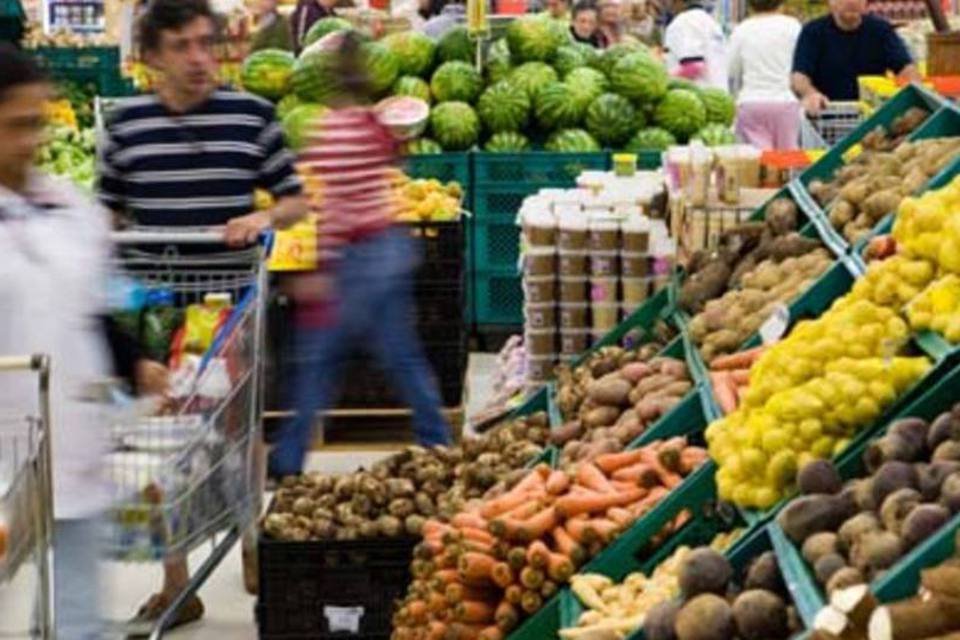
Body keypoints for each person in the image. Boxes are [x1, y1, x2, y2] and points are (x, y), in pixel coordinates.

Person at [98, 0, 306, 632]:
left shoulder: (253, 115)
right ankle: (176, 583)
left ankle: (250, 537)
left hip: (232, 306)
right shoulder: (126, 125)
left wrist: (262, 218)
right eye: (182, 46)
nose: (197, 59)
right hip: (160, 310)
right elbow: (108, 210)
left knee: (241, 433)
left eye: (204, 44)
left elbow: (295, 202)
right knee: (169, 449)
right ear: (152, 56)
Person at [0, 43, 166, 639]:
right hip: (4, 443)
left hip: (70, 436)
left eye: (35, 124)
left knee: (77, 609)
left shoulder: (69, 208)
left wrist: (135, 363)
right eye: (15, 126)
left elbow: (90, 307)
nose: (30, 141)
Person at [269, 30, 450, 479]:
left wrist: (317, 268)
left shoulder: (328, 130)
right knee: (402, 355)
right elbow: (395, 167)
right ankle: (438, 441)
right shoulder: (375, 123)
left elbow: (329, 208)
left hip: (354, 260)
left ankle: (288, 458)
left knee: (319, 361)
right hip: (389, 247)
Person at [791, 0, 920, 114]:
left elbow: (905, 67)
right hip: (826, 115)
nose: (852, 2)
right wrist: (810, 94)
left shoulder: (881, 30)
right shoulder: (813, 31)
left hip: (871, 116)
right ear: (831, 2)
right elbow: (799, 76)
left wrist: (914, 92)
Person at [728, 0, 802, 148]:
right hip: (785, 101)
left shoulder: (742, 29)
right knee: (787, 160)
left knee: (760, 163)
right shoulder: (793, 26)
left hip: (751, 102)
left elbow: (732, 69)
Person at [663, 0, 728, 89]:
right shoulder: (712, 23)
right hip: (719, 95)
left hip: (698, 95)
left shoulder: (683, 22)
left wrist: (663, 79)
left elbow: (693, 65)